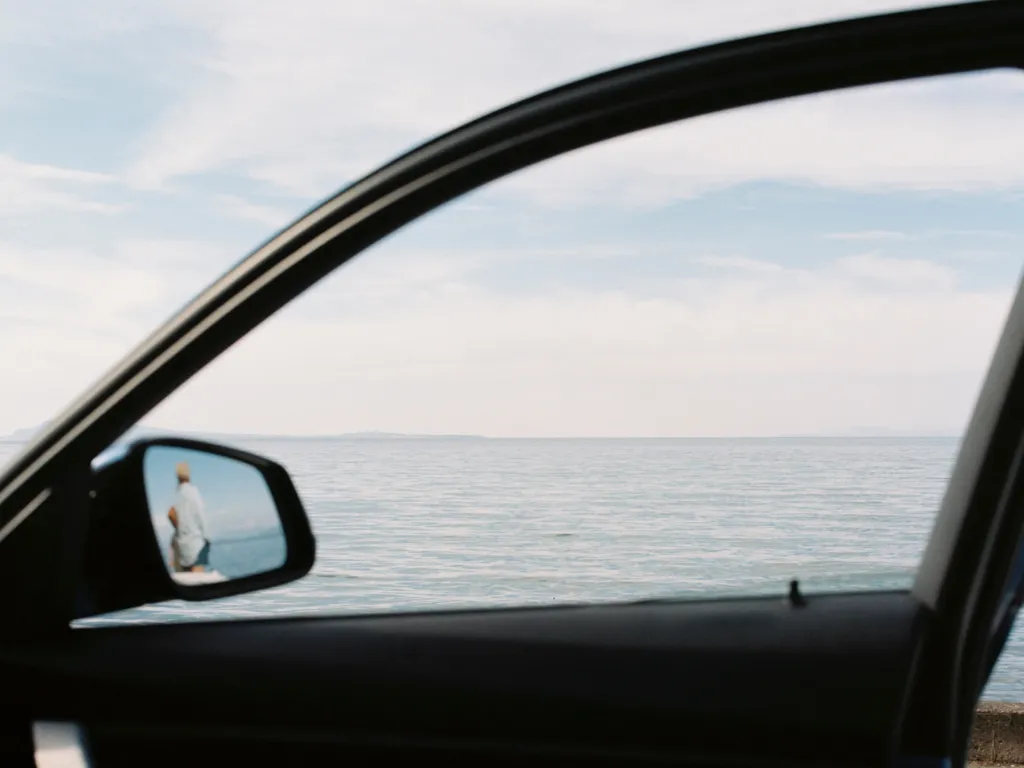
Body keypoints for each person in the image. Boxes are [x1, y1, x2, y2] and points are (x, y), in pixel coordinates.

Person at [167, 461, 210, 573]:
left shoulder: (177, 494)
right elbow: (201, 516)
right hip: (196, 544)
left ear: (177, 476)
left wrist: (178, 528)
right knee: (198, 580)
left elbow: (170, 513)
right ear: (188, 474)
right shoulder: (193, 491)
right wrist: (207, 537)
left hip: (183, 545)